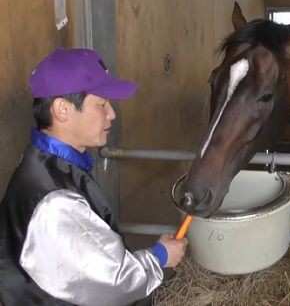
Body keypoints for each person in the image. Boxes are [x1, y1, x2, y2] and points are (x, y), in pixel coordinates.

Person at [0, 48, 188, 306]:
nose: (111, 113)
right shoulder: (55, 203)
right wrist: (159, 257)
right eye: (101, 104)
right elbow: (114, 283)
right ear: (63, 110)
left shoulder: (45, 163)